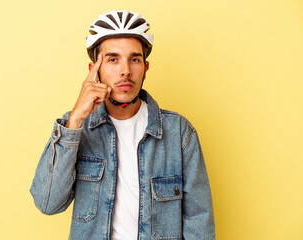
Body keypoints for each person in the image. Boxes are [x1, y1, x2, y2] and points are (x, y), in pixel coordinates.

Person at [30, 10, 215, 240]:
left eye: (134, 59)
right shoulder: (77, 129)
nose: (125, 70)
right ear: (94, 70)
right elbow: (48, 203)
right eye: (113, 59)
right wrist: (75, 119)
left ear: (146, 68)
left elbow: (200, 223)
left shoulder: (179, 133)